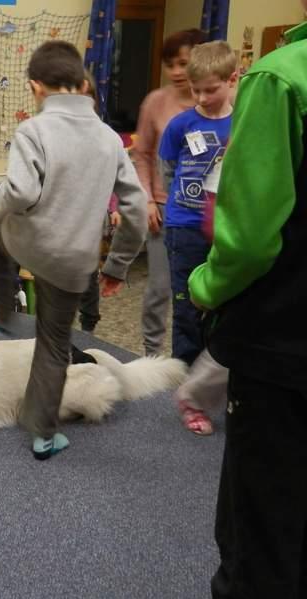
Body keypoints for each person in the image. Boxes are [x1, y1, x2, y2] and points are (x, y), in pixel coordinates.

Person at [188, 13, 307, 597]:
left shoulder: (282, 78)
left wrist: (205, 287)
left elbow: (252, 239)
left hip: (284, 347)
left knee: (262, 531)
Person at [0, 41, 147, 460]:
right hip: (73, 263)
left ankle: (2, 304)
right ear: (82, 83)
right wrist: (117, 265)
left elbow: (19, 193)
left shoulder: (33, 130)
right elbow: (135, 211)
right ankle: (43, 434)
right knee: (53, 346)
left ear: (36, 87)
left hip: (29, 243)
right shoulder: (111, 139)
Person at [158, 40, 237, 369]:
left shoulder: (242, 122)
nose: (202, 98)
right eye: (196, 91)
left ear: (232, 79)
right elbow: (167, 171)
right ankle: (187, 376)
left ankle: (218, 372)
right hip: (185, 228)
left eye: (210, 89)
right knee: (188, 307)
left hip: (228, 228)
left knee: (224, 304)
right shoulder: (181, 125)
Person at [134, 29, 207, 356]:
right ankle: (152, 353)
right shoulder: (155, 102)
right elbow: (143, 155)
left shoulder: (222, 99)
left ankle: (203, 355)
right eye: (170, 64)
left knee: (205, 290)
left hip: (210, 213)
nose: (176, 71)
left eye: (183, 63)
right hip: (165, 213)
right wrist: (147, 199)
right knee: (160, 290)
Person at [79, 71, 122, 334]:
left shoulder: (105, 137)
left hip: (91, 215)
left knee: (87, 271)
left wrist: (114, 207)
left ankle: (88, 325)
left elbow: (115, 175)